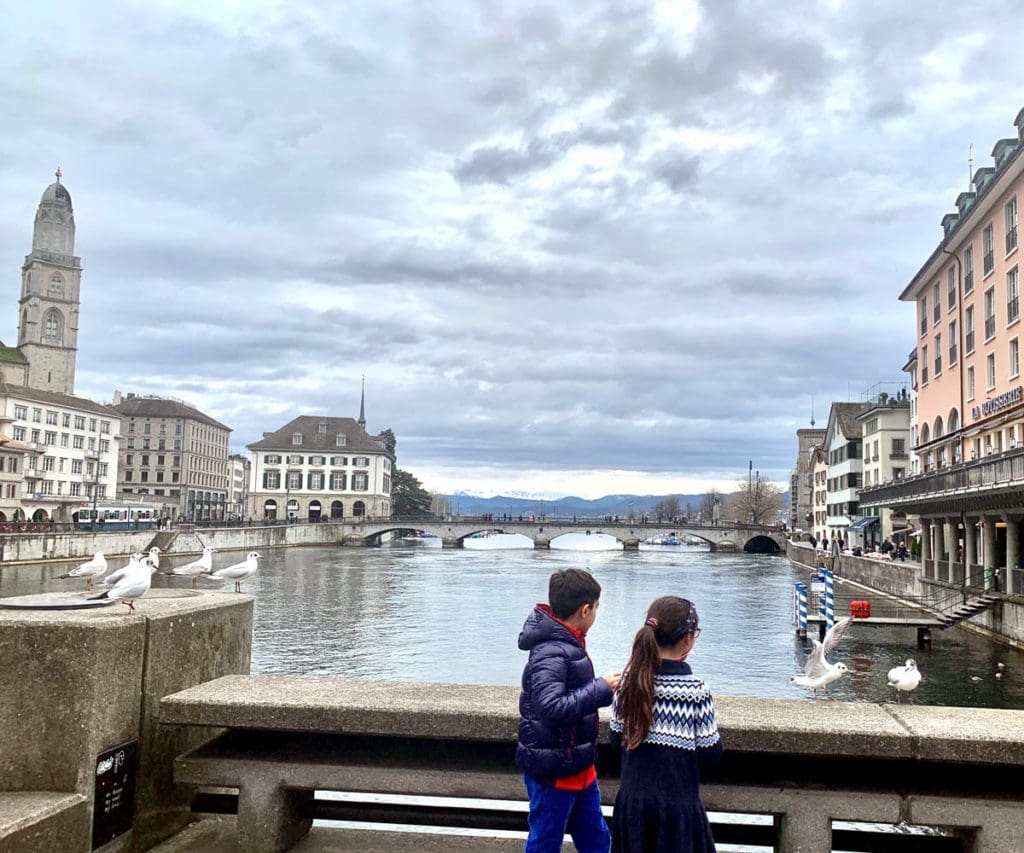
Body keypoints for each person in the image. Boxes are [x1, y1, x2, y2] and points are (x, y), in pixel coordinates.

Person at [517, 568, 621, 853]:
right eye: (596, 609)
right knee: (545, 842)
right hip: (554, 771)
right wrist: (601, 689)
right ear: (586, 610)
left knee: (597, 840)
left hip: (577, 765)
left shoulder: (566, 644)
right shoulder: (552, 651)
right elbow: (550, 707)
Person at [611, 597, 721, 853]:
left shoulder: (626, 683)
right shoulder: (695, 690)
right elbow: (710, 753)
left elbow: (615, 739)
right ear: (688, 640)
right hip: (677, 808)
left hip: (632, 805)